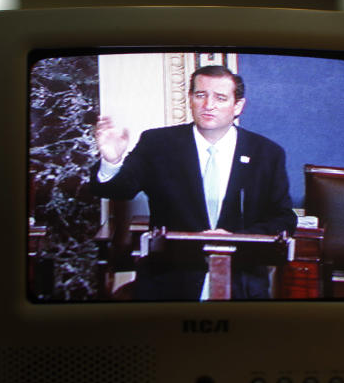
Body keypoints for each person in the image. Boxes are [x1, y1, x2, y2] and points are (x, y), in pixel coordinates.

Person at [90, 64, 297, 300]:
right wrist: (112, 160)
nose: (209, 105)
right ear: (190, 99)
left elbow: (283, 219)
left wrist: (234, 240)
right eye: (201, 95)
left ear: (238, 106)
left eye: (220, 98)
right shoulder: (158, 143)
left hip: (241, 282)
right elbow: (119, 189)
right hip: (169, 281)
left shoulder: (266, 153)